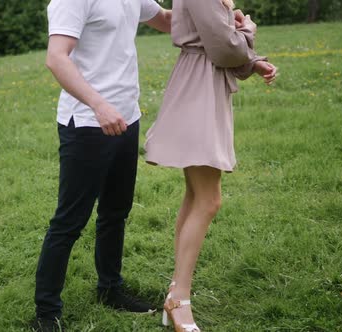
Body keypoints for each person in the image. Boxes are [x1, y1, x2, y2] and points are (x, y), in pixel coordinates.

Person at [34, 0, 171, 331]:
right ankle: (46, 312)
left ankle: (110, 289)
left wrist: (216, 13)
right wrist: (98, 104)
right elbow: (56, 58)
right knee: (69, 220)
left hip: (127, 117)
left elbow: (167, 21)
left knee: (115, 212)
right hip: (87, 122)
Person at [143, 0, 278, 331]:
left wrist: (252, 62)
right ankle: (179, 301)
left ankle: (176, 293)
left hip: (202, 85)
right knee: (208, 199)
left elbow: (215, 41)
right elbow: (222, 45)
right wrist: (249, 30)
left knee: (195, 196)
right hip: (198, 92)